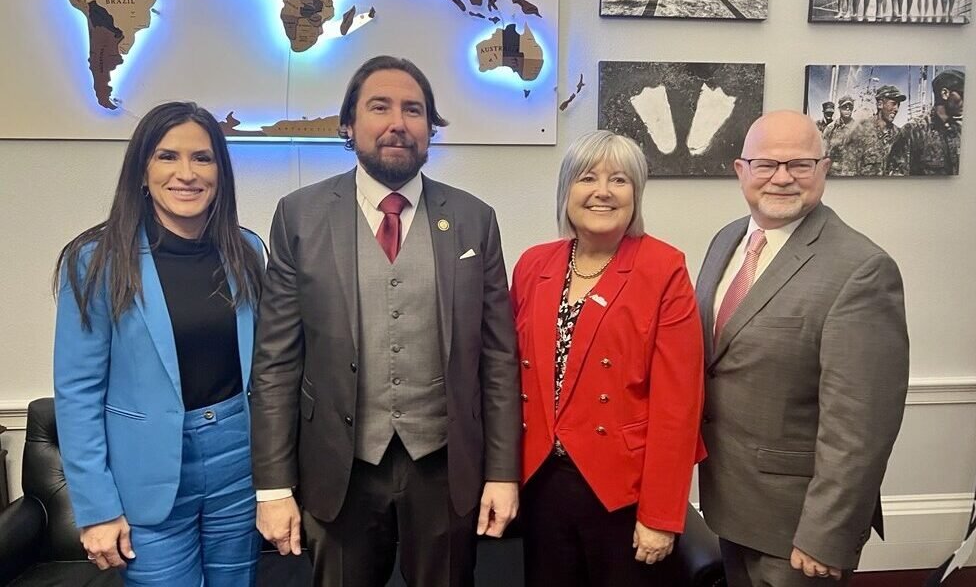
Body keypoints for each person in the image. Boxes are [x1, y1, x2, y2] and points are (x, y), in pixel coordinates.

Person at [250, 55, 521, 587]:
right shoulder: (299, 216)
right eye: (380, 107)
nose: (398, 122)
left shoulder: (474, 219)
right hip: (338, 466)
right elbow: (276, 363)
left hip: (445, 466)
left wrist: (503, 471)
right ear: (348, 126)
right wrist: (273, 487)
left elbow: (499, 360)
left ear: (429, 129)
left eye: (414, 110)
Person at [53, 101, 266, 586]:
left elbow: (268, 371)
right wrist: (96, 508)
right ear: (142, 170)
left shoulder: (247, 252)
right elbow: (77, 392)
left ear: (221, 172)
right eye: (168, 156)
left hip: (239, 461)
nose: (186, 173)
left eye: (203, 158)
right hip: (146, 476)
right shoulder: (96, 260)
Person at [696, 110, 909, 586]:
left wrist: (827, 533)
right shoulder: (727, 241)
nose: (783, 178)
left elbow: (861, 425)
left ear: (825, 170)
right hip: (731, 503)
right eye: (767, 164)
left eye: (801, 165)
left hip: (798, 528)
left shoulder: (861, 269)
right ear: (741, 171)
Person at [511, 130, 706, 586]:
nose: (602, 191)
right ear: (567, 192)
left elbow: (678, 406)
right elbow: (505, 377)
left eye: (619, 179)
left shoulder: (663, 268)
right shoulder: (533, 265)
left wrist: (660, 514)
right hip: (542, 482)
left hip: (622, 489)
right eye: (587, 178)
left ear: (635, 194)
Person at [888, 69, 963, 175]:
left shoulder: (958, 131)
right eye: (962, 94)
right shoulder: (914, 131)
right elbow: (898, 177)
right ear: (945, 93)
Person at [841, 84, 906, 175]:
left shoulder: (898, 134)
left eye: (898, 105)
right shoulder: (860, 130)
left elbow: (901, 168)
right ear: (880, 104)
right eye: (893, 104)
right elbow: (849, 170)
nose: (896, 109)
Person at [821, 95, 855, 175]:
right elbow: (823, 152)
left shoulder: (858, 128)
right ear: (839, 109)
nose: (847, 109)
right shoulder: (830, 128)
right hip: (833, 173)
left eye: (850, 107)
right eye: (844, 106)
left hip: (852, 173)